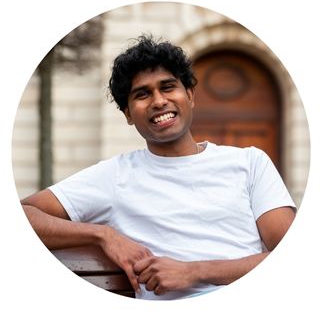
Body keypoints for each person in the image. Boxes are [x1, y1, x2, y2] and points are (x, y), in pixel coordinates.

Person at [21, 35, 296, 300]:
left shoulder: (249, 162)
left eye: (167, 87)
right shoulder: (114, 175)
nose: (158, 101)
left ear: (189, 95)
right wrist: (103, 235)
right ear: (128, 114)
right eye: (142, 94)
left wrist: (195, 272)